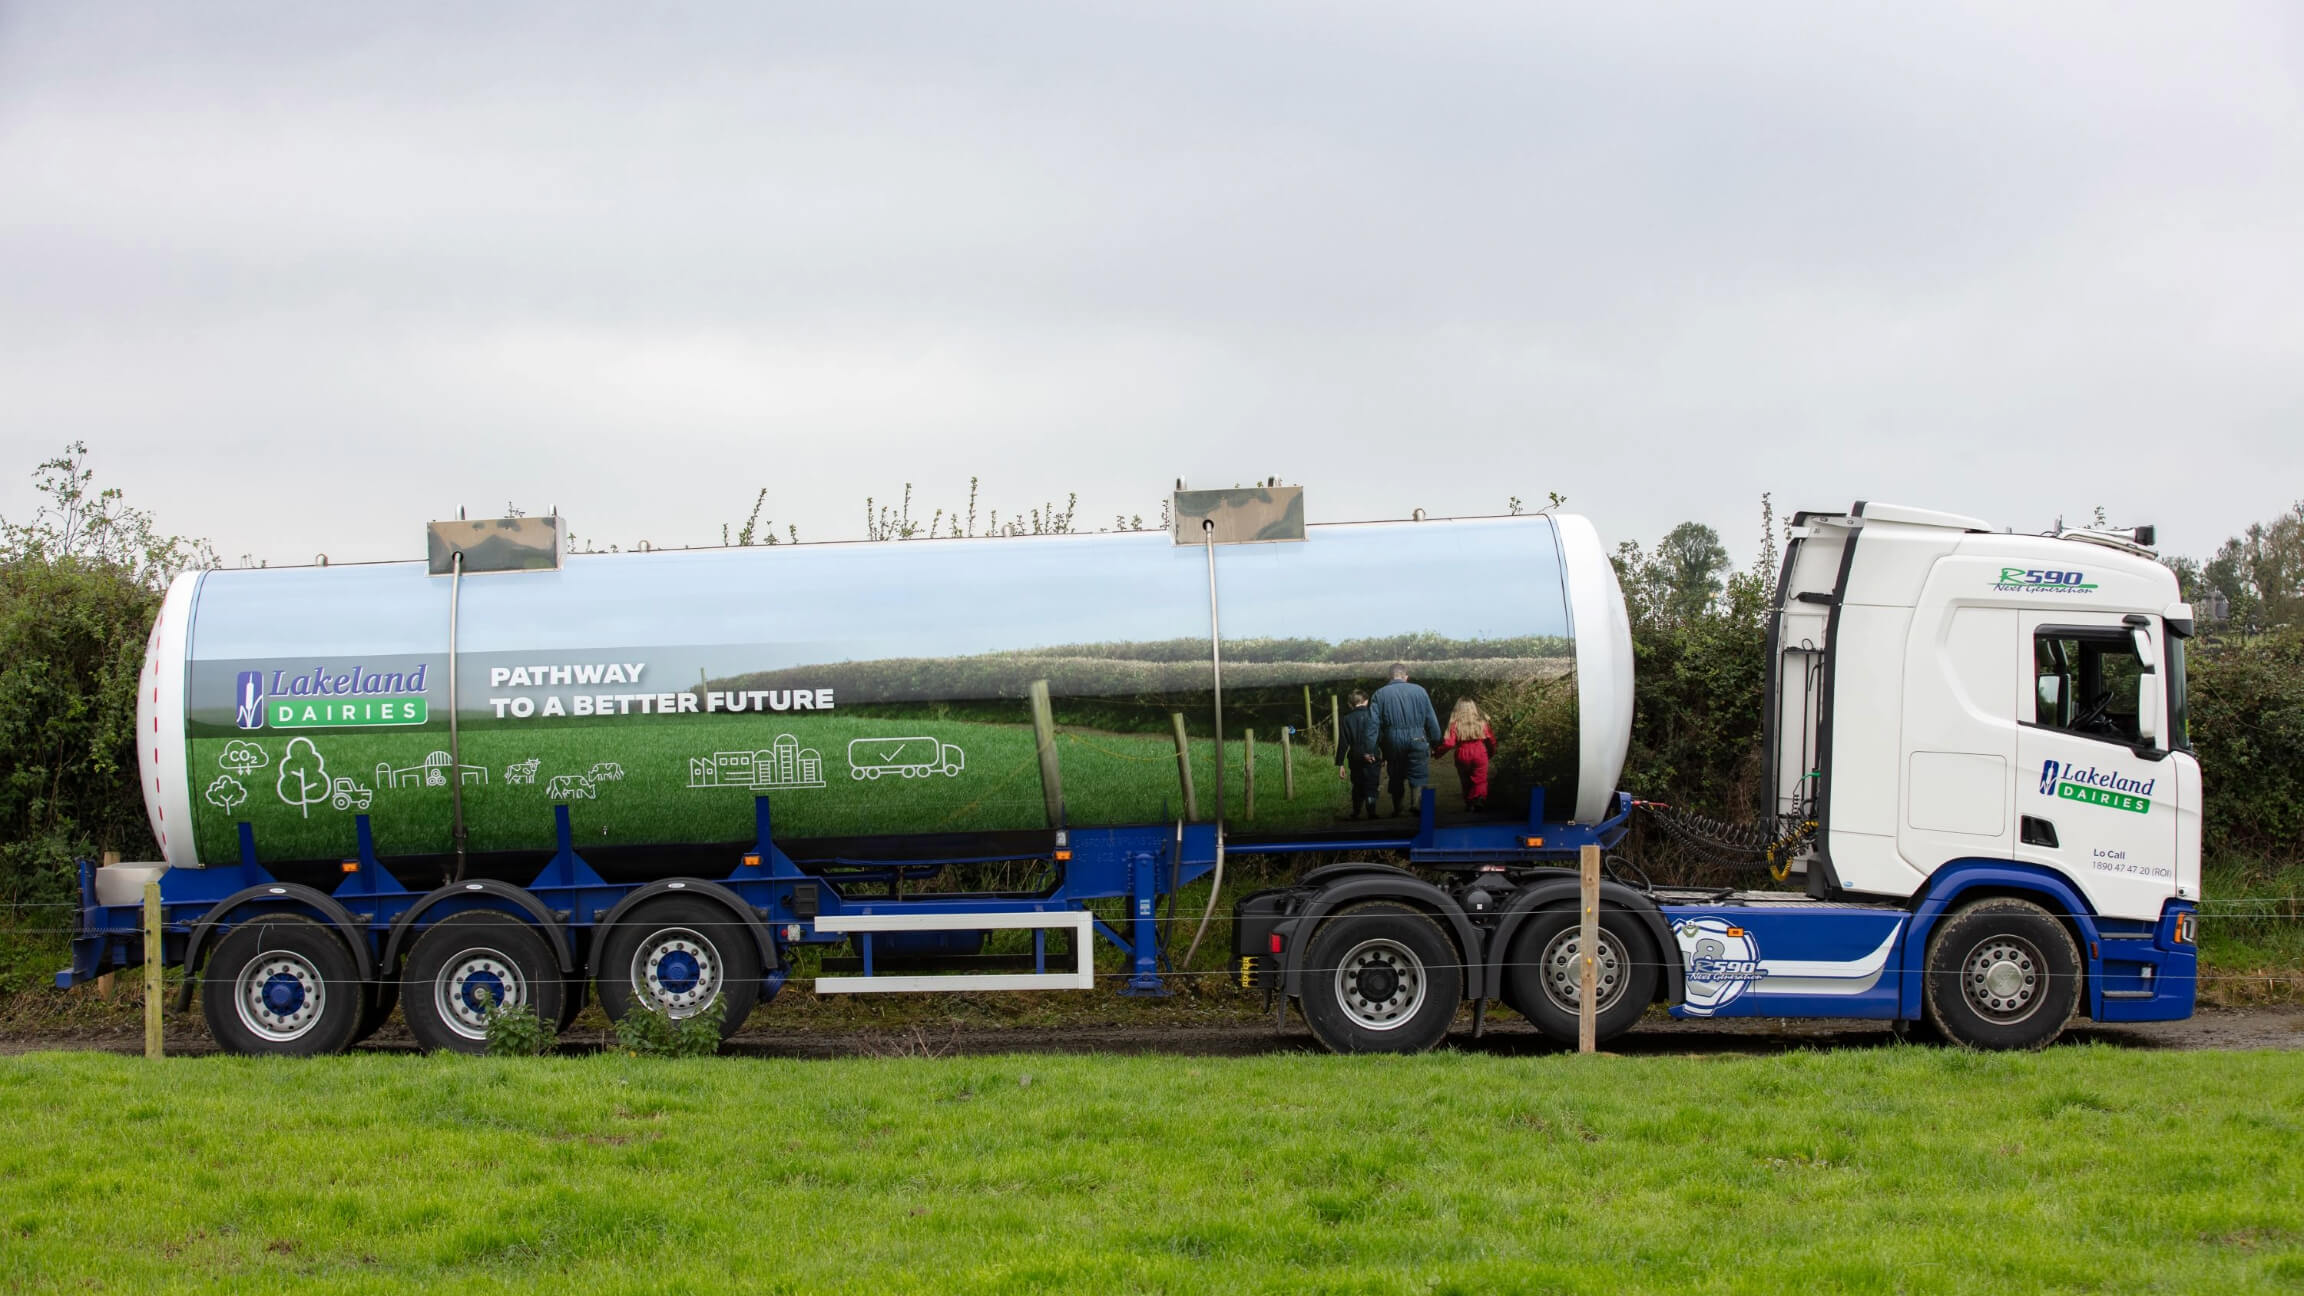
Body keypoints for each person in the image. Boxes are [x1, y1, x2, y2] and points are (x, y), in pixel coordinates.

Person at [1369, 663, 1443, 816]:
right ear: (1406, 677)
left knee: (1395, 775)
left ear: (1389, 677)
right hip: (1418, 737)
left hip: (1393, 740)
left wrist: (1371, 748)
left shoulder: (1379, 694)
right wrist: (1436, 741)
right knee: (1419, 774)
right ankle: (1416, 804)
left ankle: (1398, 809)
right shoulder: (1420, 691)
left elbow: (1373, 725)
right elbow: (1431, 718)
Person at [1438, 698, 1497, 812]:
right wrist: (1491, 752)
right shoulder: (1481, 722)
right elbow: (1491, 740)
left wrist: (1438, 753)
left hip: (1462, 752)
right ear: (1473, 708)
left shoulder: (1455, 724)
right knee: (1480, 780)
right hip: (1480, 751)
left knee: (1465, 781)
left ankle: (1469, 803)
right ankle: (1479, 798)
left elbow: (1449, 743)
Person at [1333, 689, 1381, 819]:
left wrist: (1340, 763)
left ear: (1350, 704)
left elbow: (1343, 742)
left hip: (1355, 754)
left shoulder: (1346, 719)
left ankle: (1356, 811)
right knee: (1372, 781)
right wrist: (1385, 754)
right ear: (1366, 701)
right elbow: (1380, 736)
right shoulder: (1374, 715)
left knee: (1357, 782)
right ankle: (1371, 811)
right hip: (1373, 752)